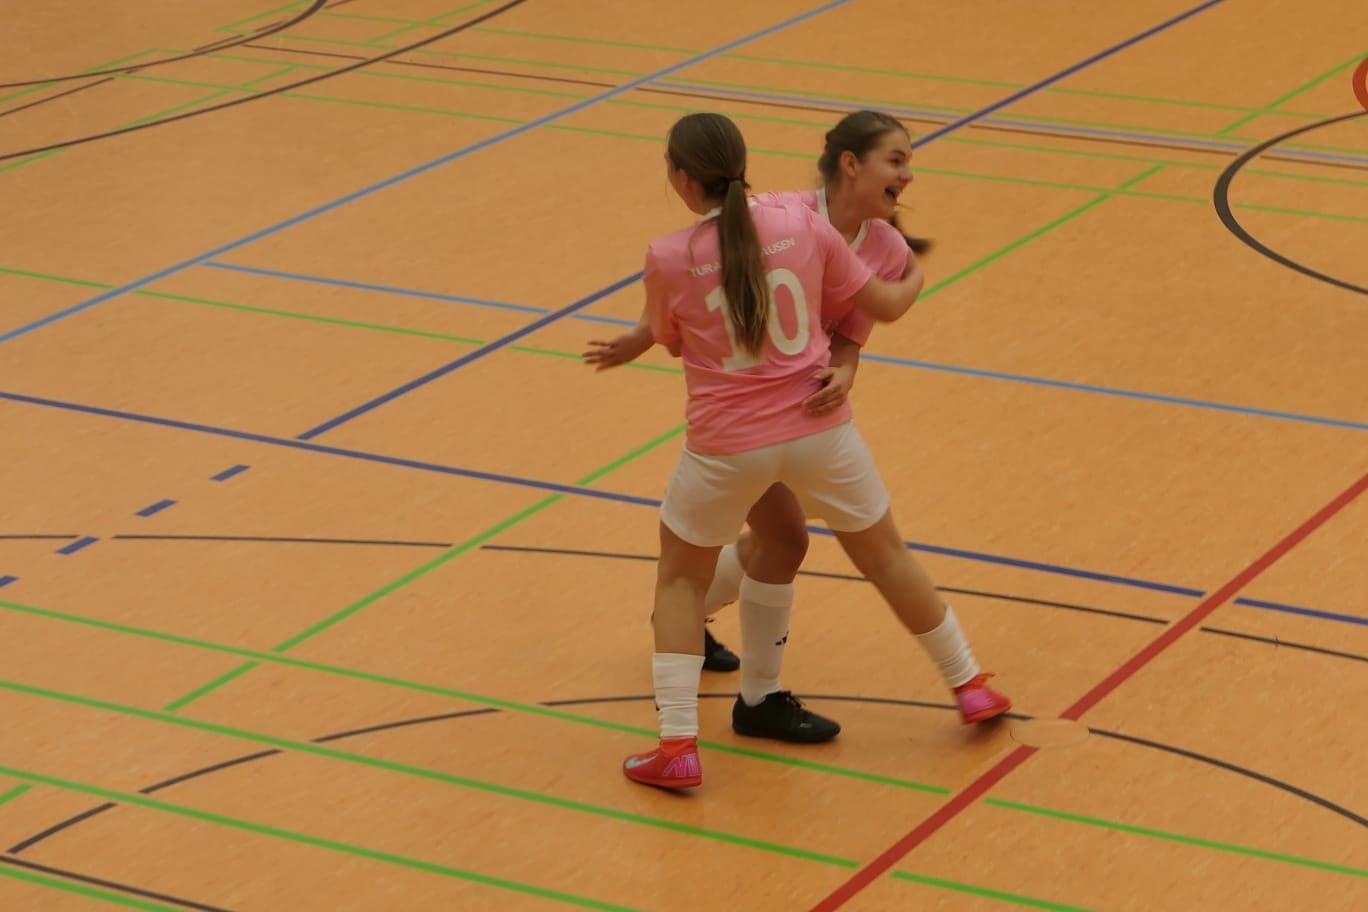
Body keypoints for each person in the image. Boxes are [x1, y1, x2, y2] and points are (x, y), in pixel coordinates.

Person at [587, 112, 1009, 761]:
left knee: (680, 581)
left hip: (728, 442)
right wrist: (916, 276)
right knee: (875, 553)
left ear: (681, 178)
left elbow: (672, 339)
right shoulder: (802, 224)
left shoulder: (671, 254)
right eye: (896, 159)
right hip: (817, 429)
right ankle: (968, 682)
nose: (905, 174)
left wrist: (645, 339)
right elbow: (885, 305)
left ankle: (678, 745)